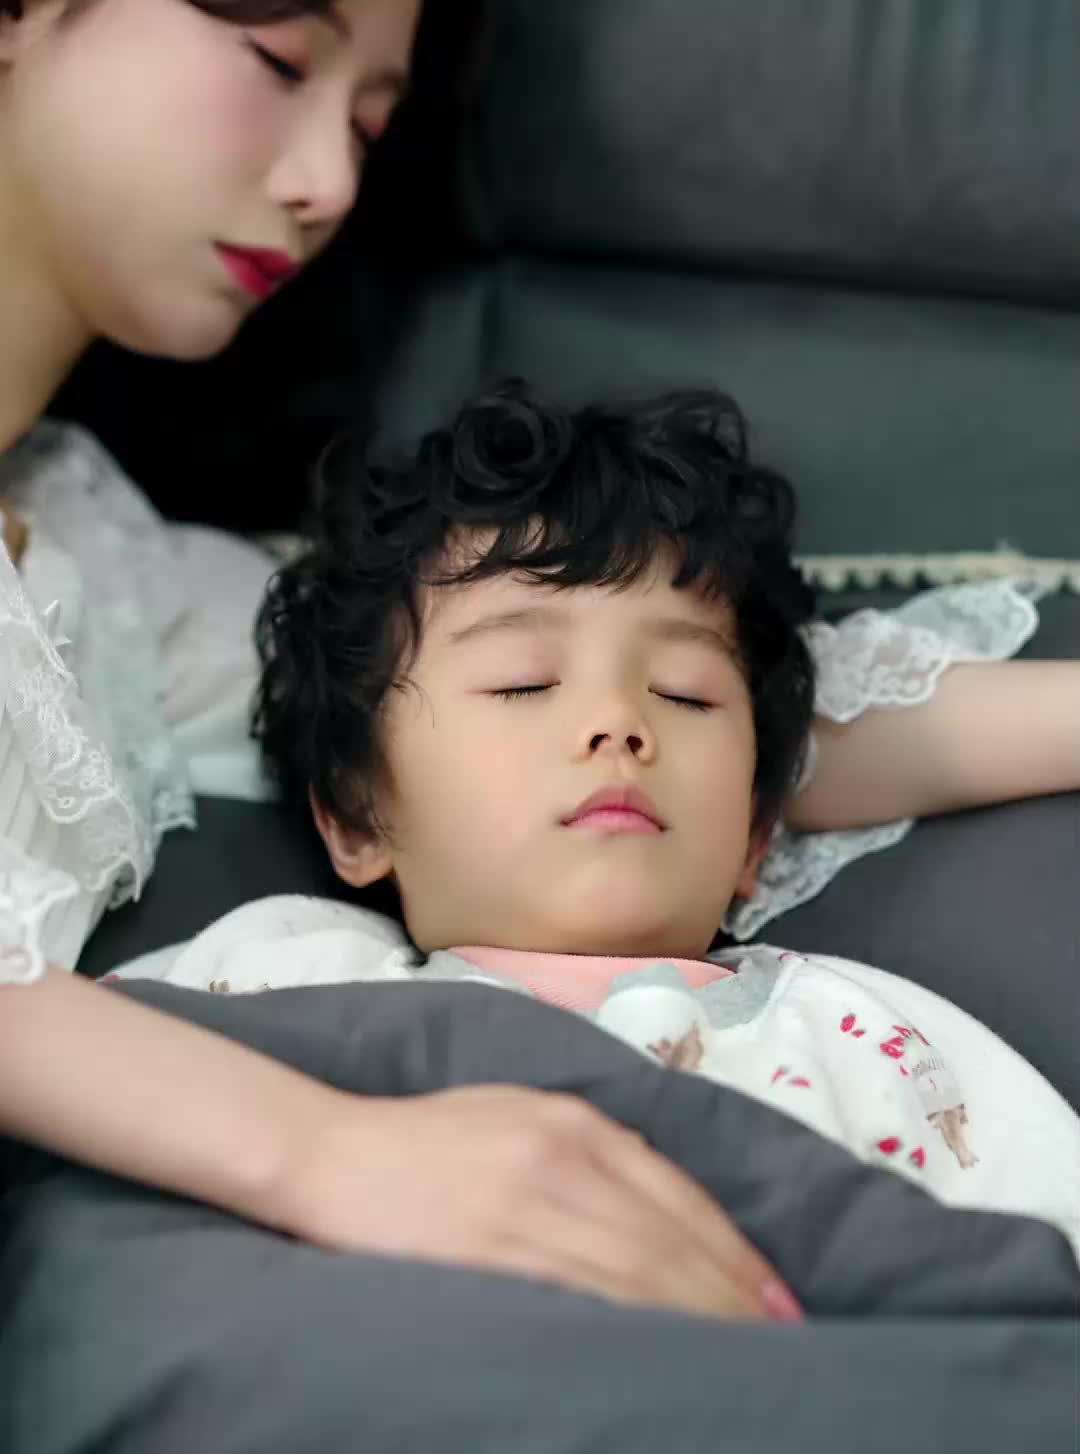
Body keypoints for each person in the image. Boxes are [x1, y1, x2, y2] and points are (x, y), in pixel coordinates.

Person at [0, 6, 1076, 1309]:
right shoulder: (299, 982)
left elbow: (557, 696)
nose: (329, 184)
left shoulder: (115, 569)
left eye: (371, 126)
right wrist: (323, 1152)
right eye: (280, 59)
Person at [124, 384, 1080, 1271]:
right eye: (523, 683)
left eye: (685, 693)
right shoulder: (284, 971)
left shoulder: (871, 1038)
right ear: (357, 818)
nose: (619, 723)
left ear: (755, 834)